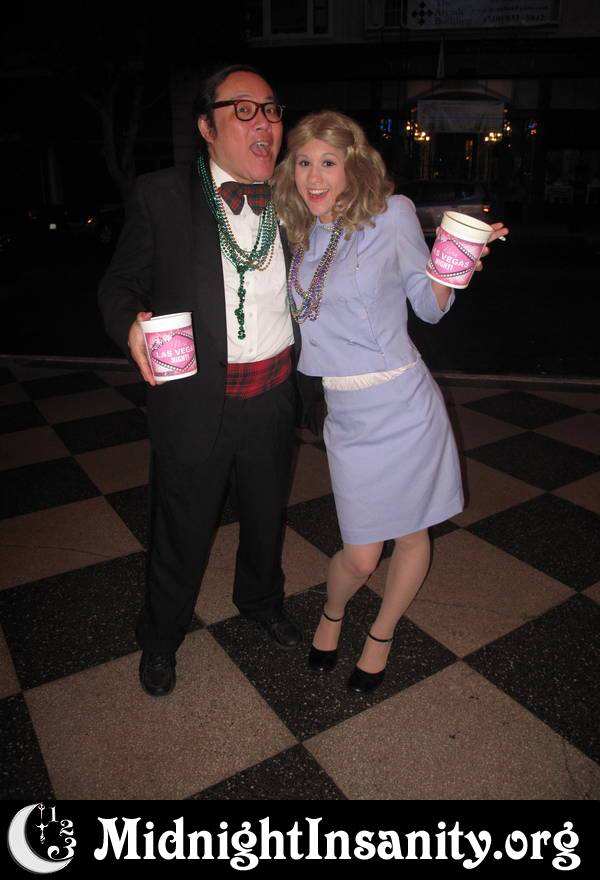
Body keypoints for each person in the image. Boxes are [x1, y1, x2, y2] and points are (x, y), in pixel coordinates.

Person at [273, 111, 508, 693]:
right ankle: (333, 614)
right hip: (346, 413)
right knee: (359, 555)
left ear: (353, 166)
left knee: (409, 535)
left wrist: (456, 263)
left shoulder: (391, 215)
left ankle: (381, 633)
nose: (314, 176)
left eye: (328, 162)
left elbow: (428, 307)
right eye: (304, 162)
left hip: (403, 405)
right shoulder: (297, 232)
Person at [99, 64, 304, 698]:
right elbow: (118, 286)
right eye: (243, 110)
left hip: (274, 396)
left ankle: (261, 602)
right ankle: (161, 637)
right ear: (205, 128)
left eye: (270, 109)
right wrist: (130, 326)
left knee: (267, 518)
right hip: (194, 399)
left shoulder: (296, 192)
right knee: (180, 531)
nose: (263, 122)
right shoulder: (162, 195)